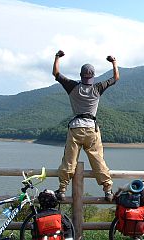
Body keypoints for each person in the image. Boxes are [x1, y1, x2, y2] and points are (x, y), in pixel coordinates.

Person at [52, 50, 119, 202]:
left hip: (75, 127)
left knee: (69, 160)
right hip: (91, 129)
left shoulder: (72, 87)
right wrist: (114, 62)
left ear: (81, 75)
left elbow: (56, 73)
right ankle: (108, 190)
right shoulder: (97, 88)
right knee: (97, 159)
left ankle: (62, 189)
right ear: (93, 76)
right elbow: (116, 78)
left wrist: (57, 57)